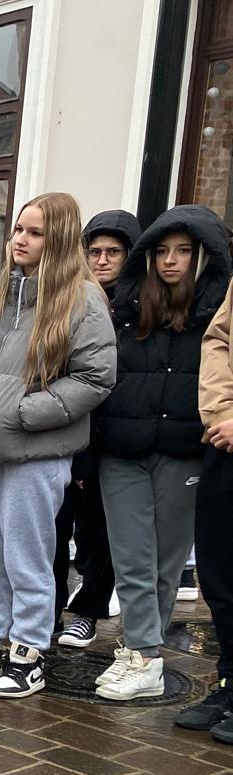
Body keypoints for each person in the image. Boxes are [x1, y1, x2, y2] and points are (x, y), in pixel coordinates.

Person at [0, 194, 115, 697]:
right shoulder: (1, 292)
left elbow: (96, 377)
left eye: (35, 232)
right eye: (19, 229)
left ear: (57, 238)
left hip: (35, 451)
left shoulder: (82, 300)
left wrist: (28, 413)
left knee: (28, 555)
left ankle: (29, 649)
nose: (21, 239)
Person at [91, 204, 231, 700]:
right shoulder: (127, 311)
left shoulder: (217, 317)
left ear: (203, 256)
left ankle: (140, 651)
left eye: (184, 251)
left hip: (185, 452)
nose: (170, 260)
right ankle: (145, 654)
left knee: (165, 564)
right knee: (131, 556)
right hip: (122, 451)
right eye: (162, 251)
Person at [53, 210, 139, 648]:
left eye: (113, 252)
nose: (102, 260)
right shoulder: (67, 300)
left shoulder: (140, 308)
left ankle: (88, 609)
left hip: (115, 433)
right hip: (65, 427)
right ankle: (48, 608)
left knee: (102, 529)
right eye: (95, 251)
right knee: (54, 526)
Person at [179, 277, 233, 738]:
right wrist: (223, 412)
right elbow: (219, 341)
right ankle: (229, 682)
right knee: (219, 574)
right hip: (224, 439)